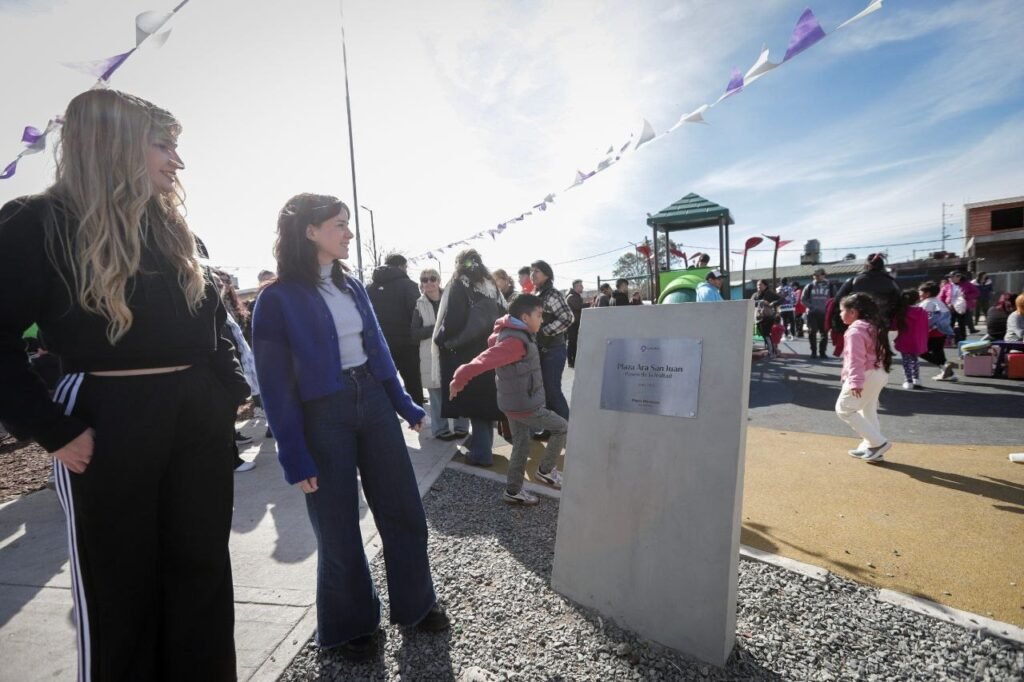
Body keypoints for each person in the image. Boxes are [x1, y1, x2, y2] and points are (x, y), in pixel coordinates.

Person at [0, 89, 249, 679]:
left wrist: (225, 391)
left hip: (197, 421)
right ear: (113, 145)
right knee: (121, 591)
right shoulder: (37, 223)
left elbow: (214, 322)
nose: (177, 161)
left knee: (203, 576)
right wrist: (50, 428)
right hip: (106, 422)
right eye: (163, 145)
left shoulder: (174, 230)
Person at [253, 193, 448, 662]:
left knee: (402, 507)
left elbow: (378, 349)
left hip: (374, 402)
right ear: (309, 231)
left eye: (346, 223)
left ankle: (417, 606)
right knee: (337, 526)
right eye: (339, 224)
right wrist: (293, 455)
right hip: (323, 415)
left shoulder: (353, 287)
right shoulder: (275, 299)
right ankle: (350, 626)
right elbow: (275, 386)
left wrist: (404, 404)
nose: (348, 232)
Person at [449, 294, 567, 505]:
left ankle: (513, 491)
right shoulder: (515, 341)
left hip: (515, 403)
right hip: (525, 405)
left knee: (521, 445)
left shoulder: (516, 334)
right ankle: (546, 470)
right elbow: (484, 360)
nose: (542, 320)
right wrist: (460, 377)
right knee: (561, 428)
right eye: (539, 315)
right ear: (524, 316)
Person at [434, 249, 506, 466]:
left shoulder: (460, 284)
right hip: (493, 350)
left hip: (468, 352)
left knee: (476, 405)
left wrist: (443, 340)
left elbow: (452, 319)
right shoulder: (492, 286)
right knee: (486, 402)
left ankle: (481, 454)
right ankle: (481, 446)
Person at [836, 293, 893, 463]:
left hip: (866, 374)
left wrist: (855, 381)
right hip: (878, 372)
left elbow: (856, 358)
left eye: (842, 311)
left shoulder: (855, 330)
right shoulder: (871, 326)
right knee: (867, 410)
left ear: (852, 312)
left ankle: (878, 443)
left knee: (844, 409)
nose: (840, 314)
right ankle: (871, 447)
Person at [412, 268, 468, 440]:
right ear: (421, 284)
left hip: (453, 351)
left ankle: (461, 426)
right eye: (424, 279)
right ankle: (441, 429)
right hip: (431, 355)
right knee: (436, 396)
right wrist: (437, 329)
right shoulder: (419, 304)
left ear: (439, 280)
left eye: (432, 278)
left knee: (458, 390)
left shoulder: (452, 299)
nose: (429, 282)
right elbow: (415, 333)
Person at [368, 253, 424, 406]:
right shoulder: (409, 285)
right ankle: (418, 416)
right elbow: (417, 313)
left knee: (385, 383)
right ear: (400, 266)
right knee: (413, 382)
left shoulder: (369, 288)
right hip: (407, 344)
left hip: (381, 344)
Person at [530, 260, 574, 421]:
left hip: (553, 351)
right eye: (531, 271)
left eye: (536, 271)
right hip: (542, 350)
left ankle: (568, 429)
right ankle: (552, 428)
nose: (532, 275)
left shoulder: (552, 294)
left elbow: (568, 318)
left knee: (553, 391)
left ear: (547, 274)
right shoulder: (538, 294)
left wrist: (545, 331)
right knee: (545, 392)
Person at [831, 253, 902, 331]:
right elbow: (899, 303)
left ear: (866, 265)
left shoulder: (854, 281)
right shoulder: (891, 283)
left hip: (859, 323)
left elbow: (837, 300)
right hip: (882, 324)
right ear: (882, 266)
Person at [917, 281, 956, 381]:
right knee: (938, 352)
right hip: (942, 332)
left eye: (920, 292)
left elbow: (922, 320)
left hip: (932, 333)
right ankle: (949, 373)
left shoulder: (926, 303)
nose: (919, 294)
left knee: (920, 351)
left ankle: (945, 367)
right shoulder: (939, 301)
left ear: (927, 293)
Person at [893, 289, 928, 390]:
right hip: (917, 340)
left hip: (904, 340)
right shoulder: (922, 311)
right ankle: (916, 378)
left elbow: (894, 326)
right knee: (915, 360)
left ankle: (908, 381)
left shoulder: (901, 312)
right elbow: (926, 326)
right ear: (917, 299)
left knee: (906, 361)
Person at [802, 268, 836, 359]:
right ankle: (813, 352)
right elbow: (803, 300)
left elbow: (834, 299)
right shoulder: (809, 286)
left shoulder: (830, 286)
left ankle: (822, 352)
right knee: (812, 332)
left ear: (824, 275)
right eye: (815, 274)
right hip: (812, 313)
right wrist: (811, 307)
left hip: (825, 313)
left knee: (824, 333)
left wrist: (830, 309)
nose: (816, 276)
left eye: (818, 274)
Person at [940, 271, 979, 343]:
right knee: (949, 324)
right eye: (949, 277)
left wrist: (967, 296)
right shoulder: (947, 286)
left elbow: (976, 293)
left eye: (952, 277)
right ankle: (948, 340)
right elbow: (941, 297)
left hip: (962, 307)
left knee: (962, 324)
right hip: (950, 308)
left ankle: (962, 340)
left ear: (959, 277)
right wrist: (945, 305)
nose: (950, 278)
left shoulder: (967, 284)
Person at [752, 279, 781, 357]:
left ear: (765, 285)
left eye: (760, 285)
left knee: (766, 333)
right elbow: (750, 303)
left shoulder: (769, 293)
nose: (758, 286)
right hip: (758, 317)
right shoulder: (755, 295)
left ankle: (771, 351)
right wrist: (759, 302)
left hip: (769, 317)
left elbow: (781, 299)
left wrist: (771, 303)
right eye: (757, 285)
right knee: (763, 334)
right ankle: (772, 349)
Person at [566, 279, 585, 368]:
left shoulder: (575, 296)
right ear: (576, 287)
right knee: (573, 343)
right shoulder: (572, 296)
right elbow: (579, 307)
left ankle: (572, 361)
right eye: (580, 286)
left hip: (575, 324)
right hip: (573, 325)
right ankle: (571, 362)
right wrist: (590, 304)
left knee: (574, 343)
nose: (582, 287)